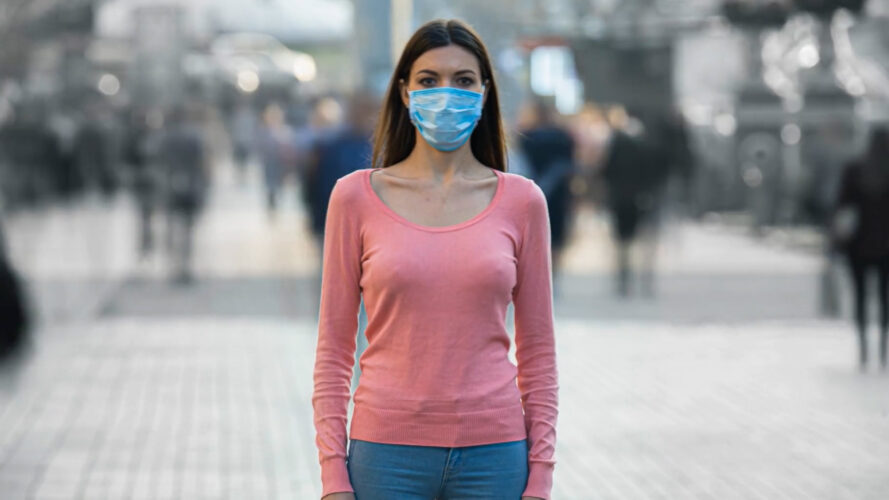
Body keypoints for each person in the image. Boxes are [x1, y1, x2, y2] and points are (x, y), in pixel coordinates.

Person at [312, 19, 558, 500]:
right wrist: (333, 475)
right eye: (429, 80)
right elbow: (334, 351)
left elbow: (539, 353)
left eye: (463, 80)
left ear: (485, 93)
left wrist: (541, 477)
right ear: (405, 92)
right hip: (385, 455)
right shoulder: (355, 198)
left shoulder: (523, 202)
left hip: (495, 455)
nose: (446, 95)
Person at [833, 127, 889, 370]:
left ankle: (863, 348)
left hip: (858, 246)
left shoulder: (854, 169)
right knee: (885, 298)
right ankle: (884, 348)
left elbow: (842, 207)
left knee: (860, 296)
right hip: (886, 247)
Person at [519, 99, 576, 299]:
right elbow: (570, 165)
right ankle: (553, 279)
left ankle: (536, 278)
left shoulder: (527, 136)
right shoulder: (564, 136)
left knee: (533, 237)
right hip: (558, 193)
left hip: (531, 192)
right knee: (557, 238)